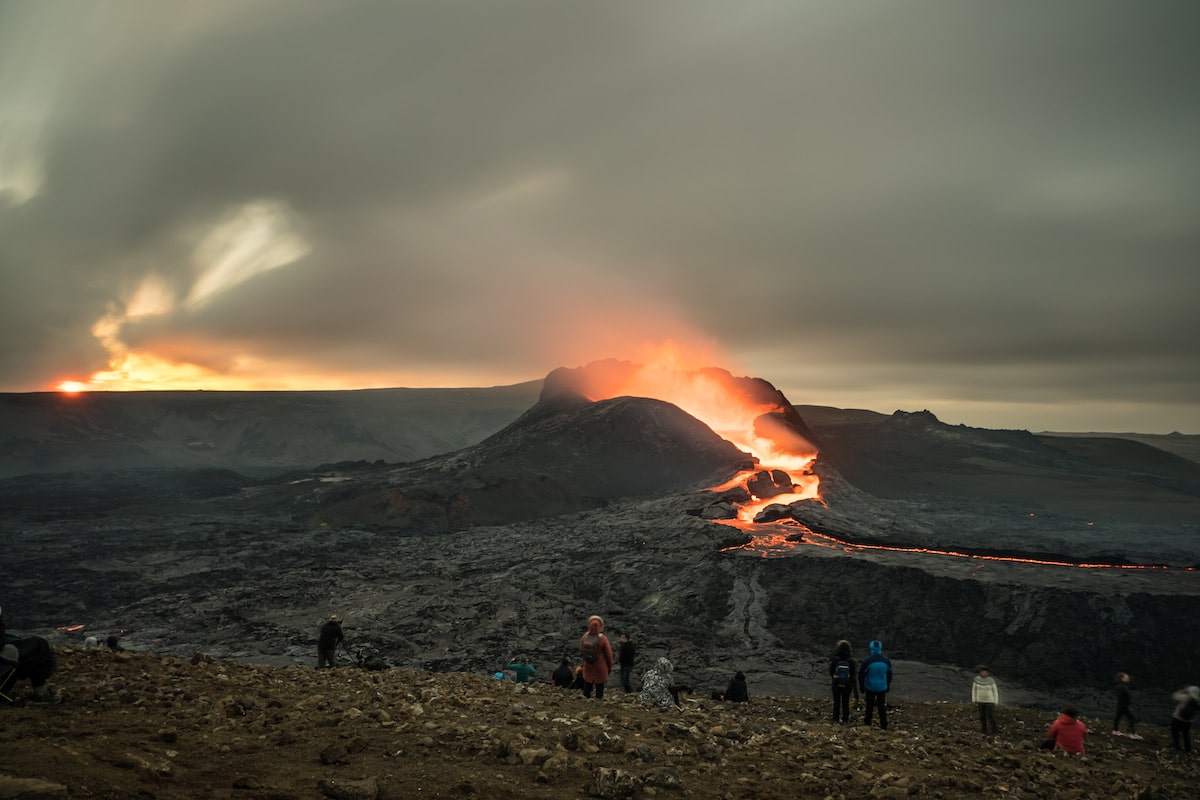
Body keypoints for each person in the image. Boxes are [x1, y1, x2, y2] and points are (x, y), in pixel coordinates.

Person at [859, 640, 893, 730]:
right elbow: (889, 675)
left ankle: (867, 723)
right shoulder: (886, 661)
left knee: (869, 705)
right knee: (881, 706)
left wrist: (861, 686)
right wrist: (888, 685)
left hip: (870, 686)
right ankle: (883, 724)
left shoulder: (867, 660)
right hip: (882, 687)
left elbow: (861, 675)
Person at [578, 615, 613, 699]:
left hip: (588, 664)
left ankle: (586, 698)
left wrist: (584, 662)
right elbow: (608, 654)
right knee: (599, 684)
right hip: (600, 666)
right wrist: (609, 666)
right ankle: (598, 700)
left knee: (588, 682)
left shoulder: (585, 637)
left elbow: (581, 650)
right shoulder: (602, 638)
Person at [829, 640, 859, 723]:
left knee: (836, 702)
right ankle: (845, 719)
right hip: (847, 685)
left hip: (836, 684)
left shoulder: (835, 659)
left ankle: (835, 718)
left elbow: (831, 671)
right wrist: (856, 693)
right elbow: (853, 676)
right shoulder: (852, 661)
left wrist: (835, 678)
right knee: (845, 702)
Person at [1170, 685, 1200, 752]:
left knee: (1175, 733)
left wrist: (1182, 691)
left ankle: (1177, 747)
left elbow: (1174, 696)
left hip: (1177, 718)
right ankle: (1188, 749)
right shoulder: (1198, 701)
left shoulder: (1186, 697)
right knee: (1186, 735)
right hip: (1188, 721)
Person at [971, 665, 1000, 735]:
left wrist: (996, 701)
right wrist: (974, 699)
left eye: (985, 672)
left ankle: (994, 730)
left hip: (990, 701)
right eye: (982, 672)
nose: (983, 673)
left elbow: (995, 691)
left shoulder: (991, 681)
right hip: (980, 701)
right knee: (982, 716)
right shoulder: (976, 680)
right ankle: (984, 730)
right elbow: (974, 690)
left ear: (988, 673)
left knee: (990, 715)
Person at [1111, 671, 1140, 738]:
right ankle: (1130, 733)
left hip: (1121, 705)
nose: (1128, 679)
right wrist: (1125, 704)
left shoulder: (1121, 687)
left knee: (1118, 717)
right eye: (1126, 677)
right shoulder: (1121, 687)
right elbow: (1122, 698)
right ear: (1122, 678)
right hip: (1123, 706)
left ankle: (1115, 731)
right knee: (1132, 718)